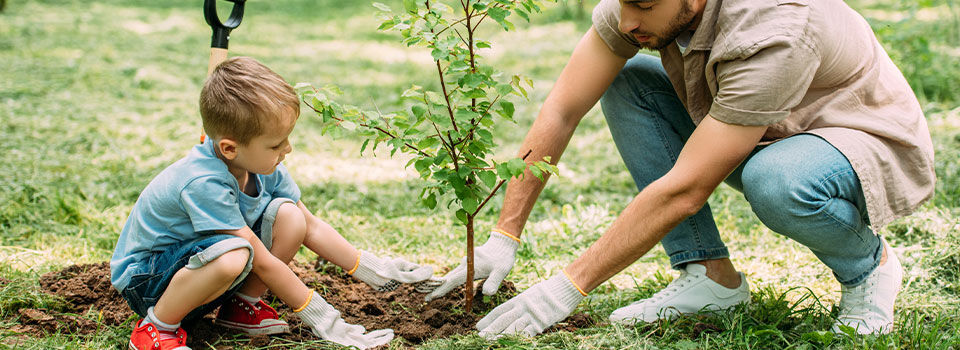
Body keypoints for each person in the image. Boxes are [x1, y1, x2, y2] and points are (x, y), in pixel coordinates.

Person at [427, 0, 935, 337]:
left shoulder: (777, 28)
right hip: (762, 127)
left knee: (777, 180)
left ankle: (868, 269)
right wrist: (504, 234)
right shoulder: (637, 7)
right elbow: (562, 107)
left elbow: (685, 190)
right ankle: (709, 277)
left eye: (643, 5)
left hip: (856, 137)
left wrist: (566, 288)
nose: (627, 20)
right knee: (628, 79)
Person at [110, 57, 434, 350]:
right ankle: (156, 329)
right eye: (277, 144)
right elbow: (261, 260)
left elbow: (311, 225)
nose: (288, 149)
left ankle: (240, 306)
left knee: (291, 218)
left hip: (197, 268)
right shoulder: (203, 182)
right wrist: (323, 318)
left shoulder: (263, 166)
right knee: (235, 254)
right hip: (149, 280)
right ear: (229, 148)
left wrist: (372, 269)